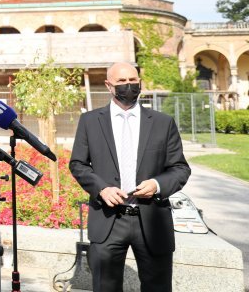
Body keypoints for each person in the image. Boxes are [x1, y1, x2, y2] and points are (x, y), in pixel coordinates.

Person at [69, 62, 191, 292]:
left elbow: (180, 168)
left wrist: (157, 184)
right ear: (108, 85)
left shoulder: (163, 123)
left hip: (152, 220)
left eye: (133, 81)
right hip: (108, 220)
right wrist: (101, 188)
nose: (129, 86)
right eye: (122, 82)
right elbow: (78, 164)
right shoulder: (90, 121)